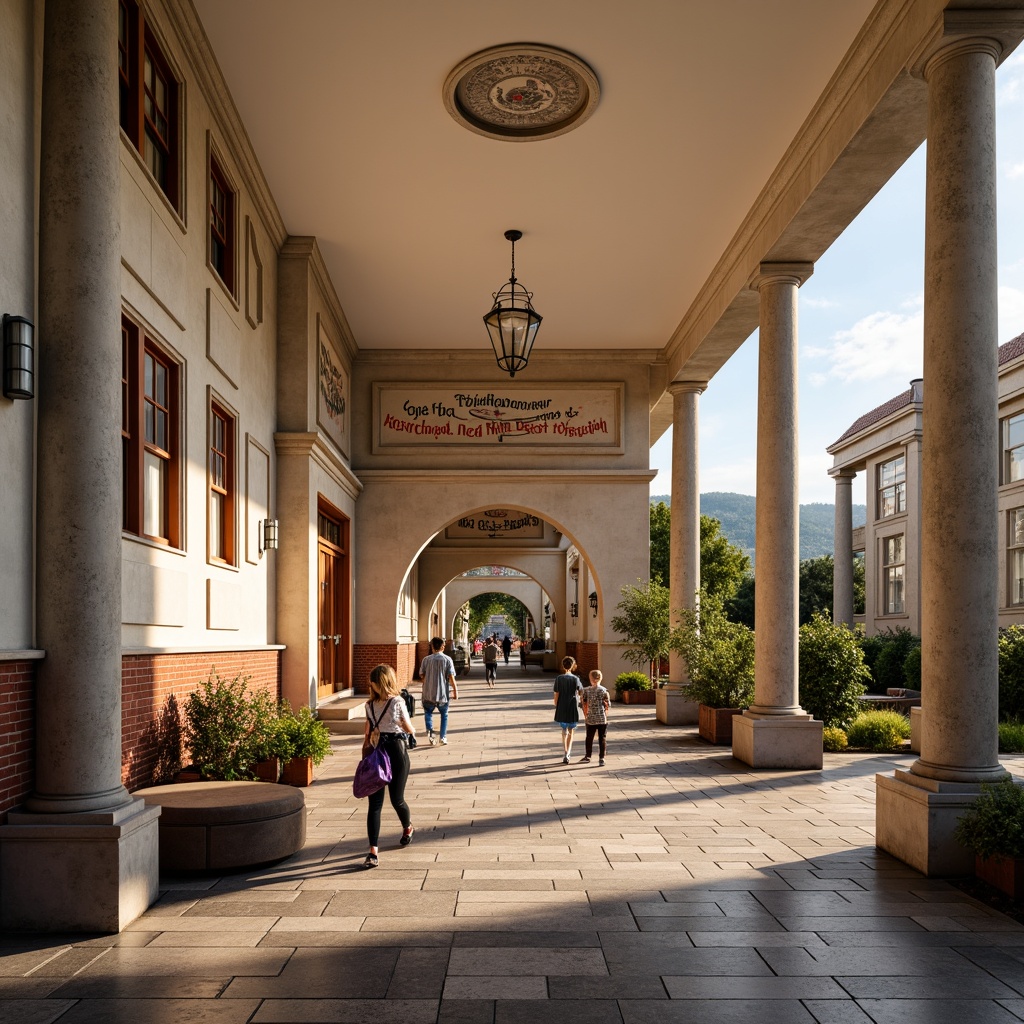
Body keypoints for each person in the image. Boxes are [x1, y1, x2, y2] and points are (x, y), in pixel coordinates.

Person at [362, 664, 416, 868]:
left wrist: (366, 753)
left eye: (372, 683)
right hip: (396, 751)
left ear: (377, 684)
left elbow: (367, 734)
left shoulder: (372, 705)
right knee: (388, 801)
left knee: (385, 802)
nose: (371, 686)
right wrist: (412, 731)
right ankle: (378, 846)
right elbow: (408, 727)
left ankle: (377, 848)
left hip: (380, 752)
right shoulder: (397, 702)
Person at [420, 636, 459, 743]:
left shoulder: (426, 660)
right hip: (443, 693)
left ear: (432, 646)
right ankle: (442, 737)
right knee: (444, 715)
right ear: (443, 646)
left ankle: (431, 734)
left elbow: (422, 676)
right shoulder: (447, 660)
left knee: (428, 713)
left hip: (428, 693)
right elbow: (451, 677)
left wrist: (427, 684)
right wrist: (455, 691)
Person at [552, 655, 583, 764]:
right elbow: (580, 692)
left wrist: (556, 703)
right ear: (573, 665)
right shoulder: (576, 679)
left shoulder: (559, 678)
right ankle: (568, 752)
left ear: (563, 666)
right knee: (571, 730)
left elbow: (557, 693)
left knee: (564, 730)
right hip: (572, 705)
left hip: (562, 705)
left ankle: (565, 750)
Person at [580, 669, 611, 766]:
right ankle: (601, 758)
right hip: (602, 718)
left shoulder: (587, 690)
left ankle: (588, 755)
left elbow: (583, 703)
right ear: (600, 678)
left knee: (589, 737)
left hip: (590, 718)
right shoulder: (604, 690)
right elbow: (608, 704)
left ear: (590, 678)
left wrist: (586, 714)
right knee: (602, 738)